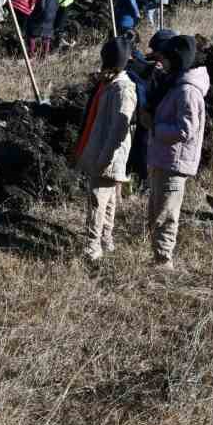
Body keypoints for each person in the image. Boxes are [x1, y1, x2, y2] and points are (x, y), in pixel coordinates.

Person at [143, 34, 208, 270]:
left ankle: (163, 260)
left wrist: (155, 127)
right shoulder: (176, 85)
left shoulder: (187, 91)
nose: (163, 63)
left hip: (175, 161)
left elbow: (185, 130)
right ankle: (158, 256)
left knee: (166, 212)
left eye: (167, 58)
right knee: (156, 209)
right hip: (165, 157)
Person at [75, 38, 137, 262]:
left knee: (97, 201)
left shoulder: (122, 90)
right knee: (108, 199)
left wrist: (106, 159)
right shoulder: (110, 84)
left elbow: (119, 130)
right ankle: (106, 239)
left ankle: (93, 247)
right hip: (103, 152)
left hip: (108, 156)